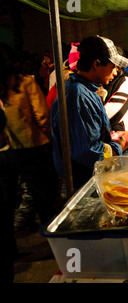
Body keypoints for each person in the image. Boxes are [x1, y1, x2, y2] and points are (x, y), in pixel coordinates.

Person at [0, 44, 60, 282]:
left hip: (4, 152)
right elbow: (42, 115)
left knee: (6, 203)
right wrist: (48, 138)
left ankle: (10, 248)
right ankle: (56, 244)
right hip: (32, 147)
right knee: (45, 196)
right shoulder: (25, 82)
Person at [51, 36, 128, 191]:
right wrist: (118, 147)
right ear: (96, 64)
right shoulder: (78, 95)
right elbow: (88, 152)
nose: (115, 73)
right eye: (113, 67)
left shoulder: (84, 88)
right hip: (83, 179)